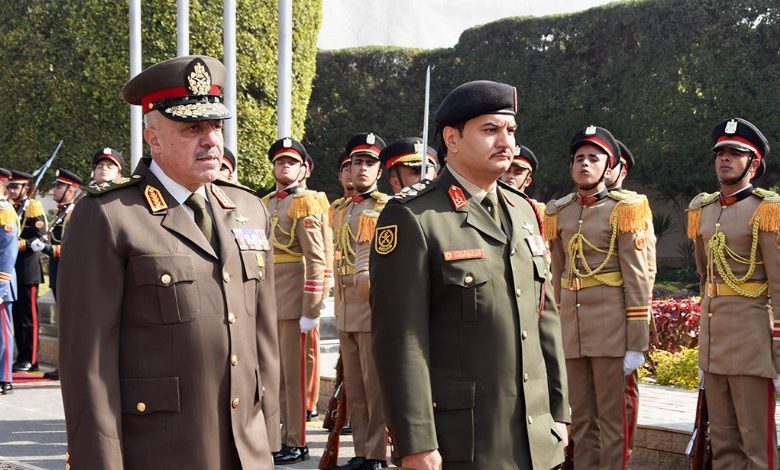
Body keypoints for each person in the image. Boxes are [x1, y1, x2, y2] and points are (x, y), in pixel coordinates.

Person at [57, 55, 280, 469]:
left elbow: (264, 338)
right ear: (153, 139)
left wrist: (268, 439)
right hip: (160, 450)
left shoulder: (248, 209)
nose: (211, 141)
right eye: (192, 128)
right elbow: (88, 363)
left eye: (215, 127)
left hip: (245, 449)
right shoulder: (110, 215)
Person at [371, 80, 570, 470]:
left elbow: (544, 316)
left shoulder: (524, 211)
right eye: (490, 130)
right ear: (452, 138)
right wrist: (416, 442)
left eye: (511, 130)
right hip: (465, 439)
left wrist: (559, 409)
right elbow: (400, 340)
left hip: (535, 434)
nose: (506, 142)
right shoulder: (415, 216)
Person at [544, 125, 651, 469]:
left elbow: (637, 278)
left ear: (609, 168)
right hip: (573, 332)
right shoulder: (559, 211)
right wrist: (555, 331)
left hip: (611, 332)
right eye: (579, 158)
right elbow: (558, 277)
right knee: (582, 420)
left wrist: (637, 341)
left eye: (594, 158)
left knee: (613, 421)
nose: (585, 164)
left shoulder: (625, 208)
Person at [687, 117, 778, 468]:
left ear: (753, 164)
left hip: (752, 343)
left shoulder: (767, 210)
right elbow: (705, 277)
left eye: (735, 153)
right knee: (723, 443)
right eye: (720, 153)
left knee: (756, 444)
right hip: (715, 344)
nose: (725, 159)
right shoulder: (703, 210)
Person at [261, 137, 327, 465]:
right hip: (267, 300)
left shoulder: (305, 203)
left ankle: (297, 441)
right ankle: (276, 437)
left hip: (292, 302)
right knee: (273, 376)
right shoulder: (266, 202)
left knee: (293, 377)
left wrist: (311, 308)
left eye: (291, 161)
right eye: (280, 161)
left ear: (304, 169)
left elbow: (316, 258)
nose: (284, 166)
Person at [334, 132, 390, 470]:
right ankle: (360, 451)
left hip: (370, 307)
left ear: (379, 171)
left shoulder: (383, 208)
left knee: (374, 386)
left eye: (370, 163)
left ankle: (376, 453)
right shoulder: (341, 209)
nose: (363, 168)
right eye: (357, 162)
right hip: (344, 306)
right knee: (354, 386)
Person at [605, 139, 656, 459]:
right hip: (583, 325)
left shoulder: (632, 209)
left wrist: (636, 332)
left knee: (620, 403)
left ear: (621, 170)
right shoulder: (574, 210)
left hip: (619, 322)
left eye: (611, 162)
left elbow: (643, 273)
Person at [36, 169, 83, 381]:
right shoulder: (62, 212)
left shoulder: (73, 212)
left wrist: (47, 249)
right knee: (63, 323)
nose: (54, 189)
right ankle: (63, 366)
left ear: (70, 190)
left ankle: (70, 367)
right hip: (57, 274)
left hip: (69, 274)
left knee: (71, 324)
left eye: (59, 186)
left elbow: (74, 247)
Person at [7, 169, 46, 373]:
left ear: (25, 187)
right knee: (17, 316)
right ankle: (21, 356)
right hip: (12, 269)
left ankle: (31, 359)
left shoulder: (33, 207)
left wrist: (19, 244)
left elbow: (40, 237)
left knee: (28, 318)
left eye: (15, 186)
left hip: (27, 269)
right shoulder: (12, 207)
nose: (11, 190)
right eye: (10, 186)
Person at [0, 168, 18, 395]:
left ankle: (5, 377)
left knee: (2, 332)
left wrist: (1, 286)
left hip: (1, 281)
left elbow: (8, 251)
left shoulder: (4, 212)